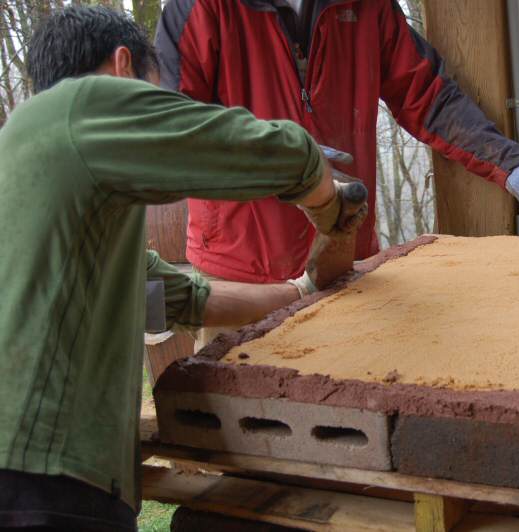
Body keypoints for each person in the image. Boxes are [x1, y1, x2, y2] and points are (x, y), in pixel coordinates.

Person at [0, 6, 366, 530]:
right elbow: (279, 155)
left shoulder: (42, 177)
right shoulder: (82, 104)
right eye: (155, 92)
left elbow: (185, 298)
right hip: (39, 481)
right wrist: (330, 206)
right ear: (123, 67)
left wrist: (306, 290)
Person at [155, 0, 519, 345]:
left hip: (345, 258)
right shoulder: (199, 7)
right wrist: (279, 159)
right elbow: (172, 129)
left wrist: (508, 161)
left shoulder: (368, 6)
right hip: (240, 268)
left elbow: (427, 94)